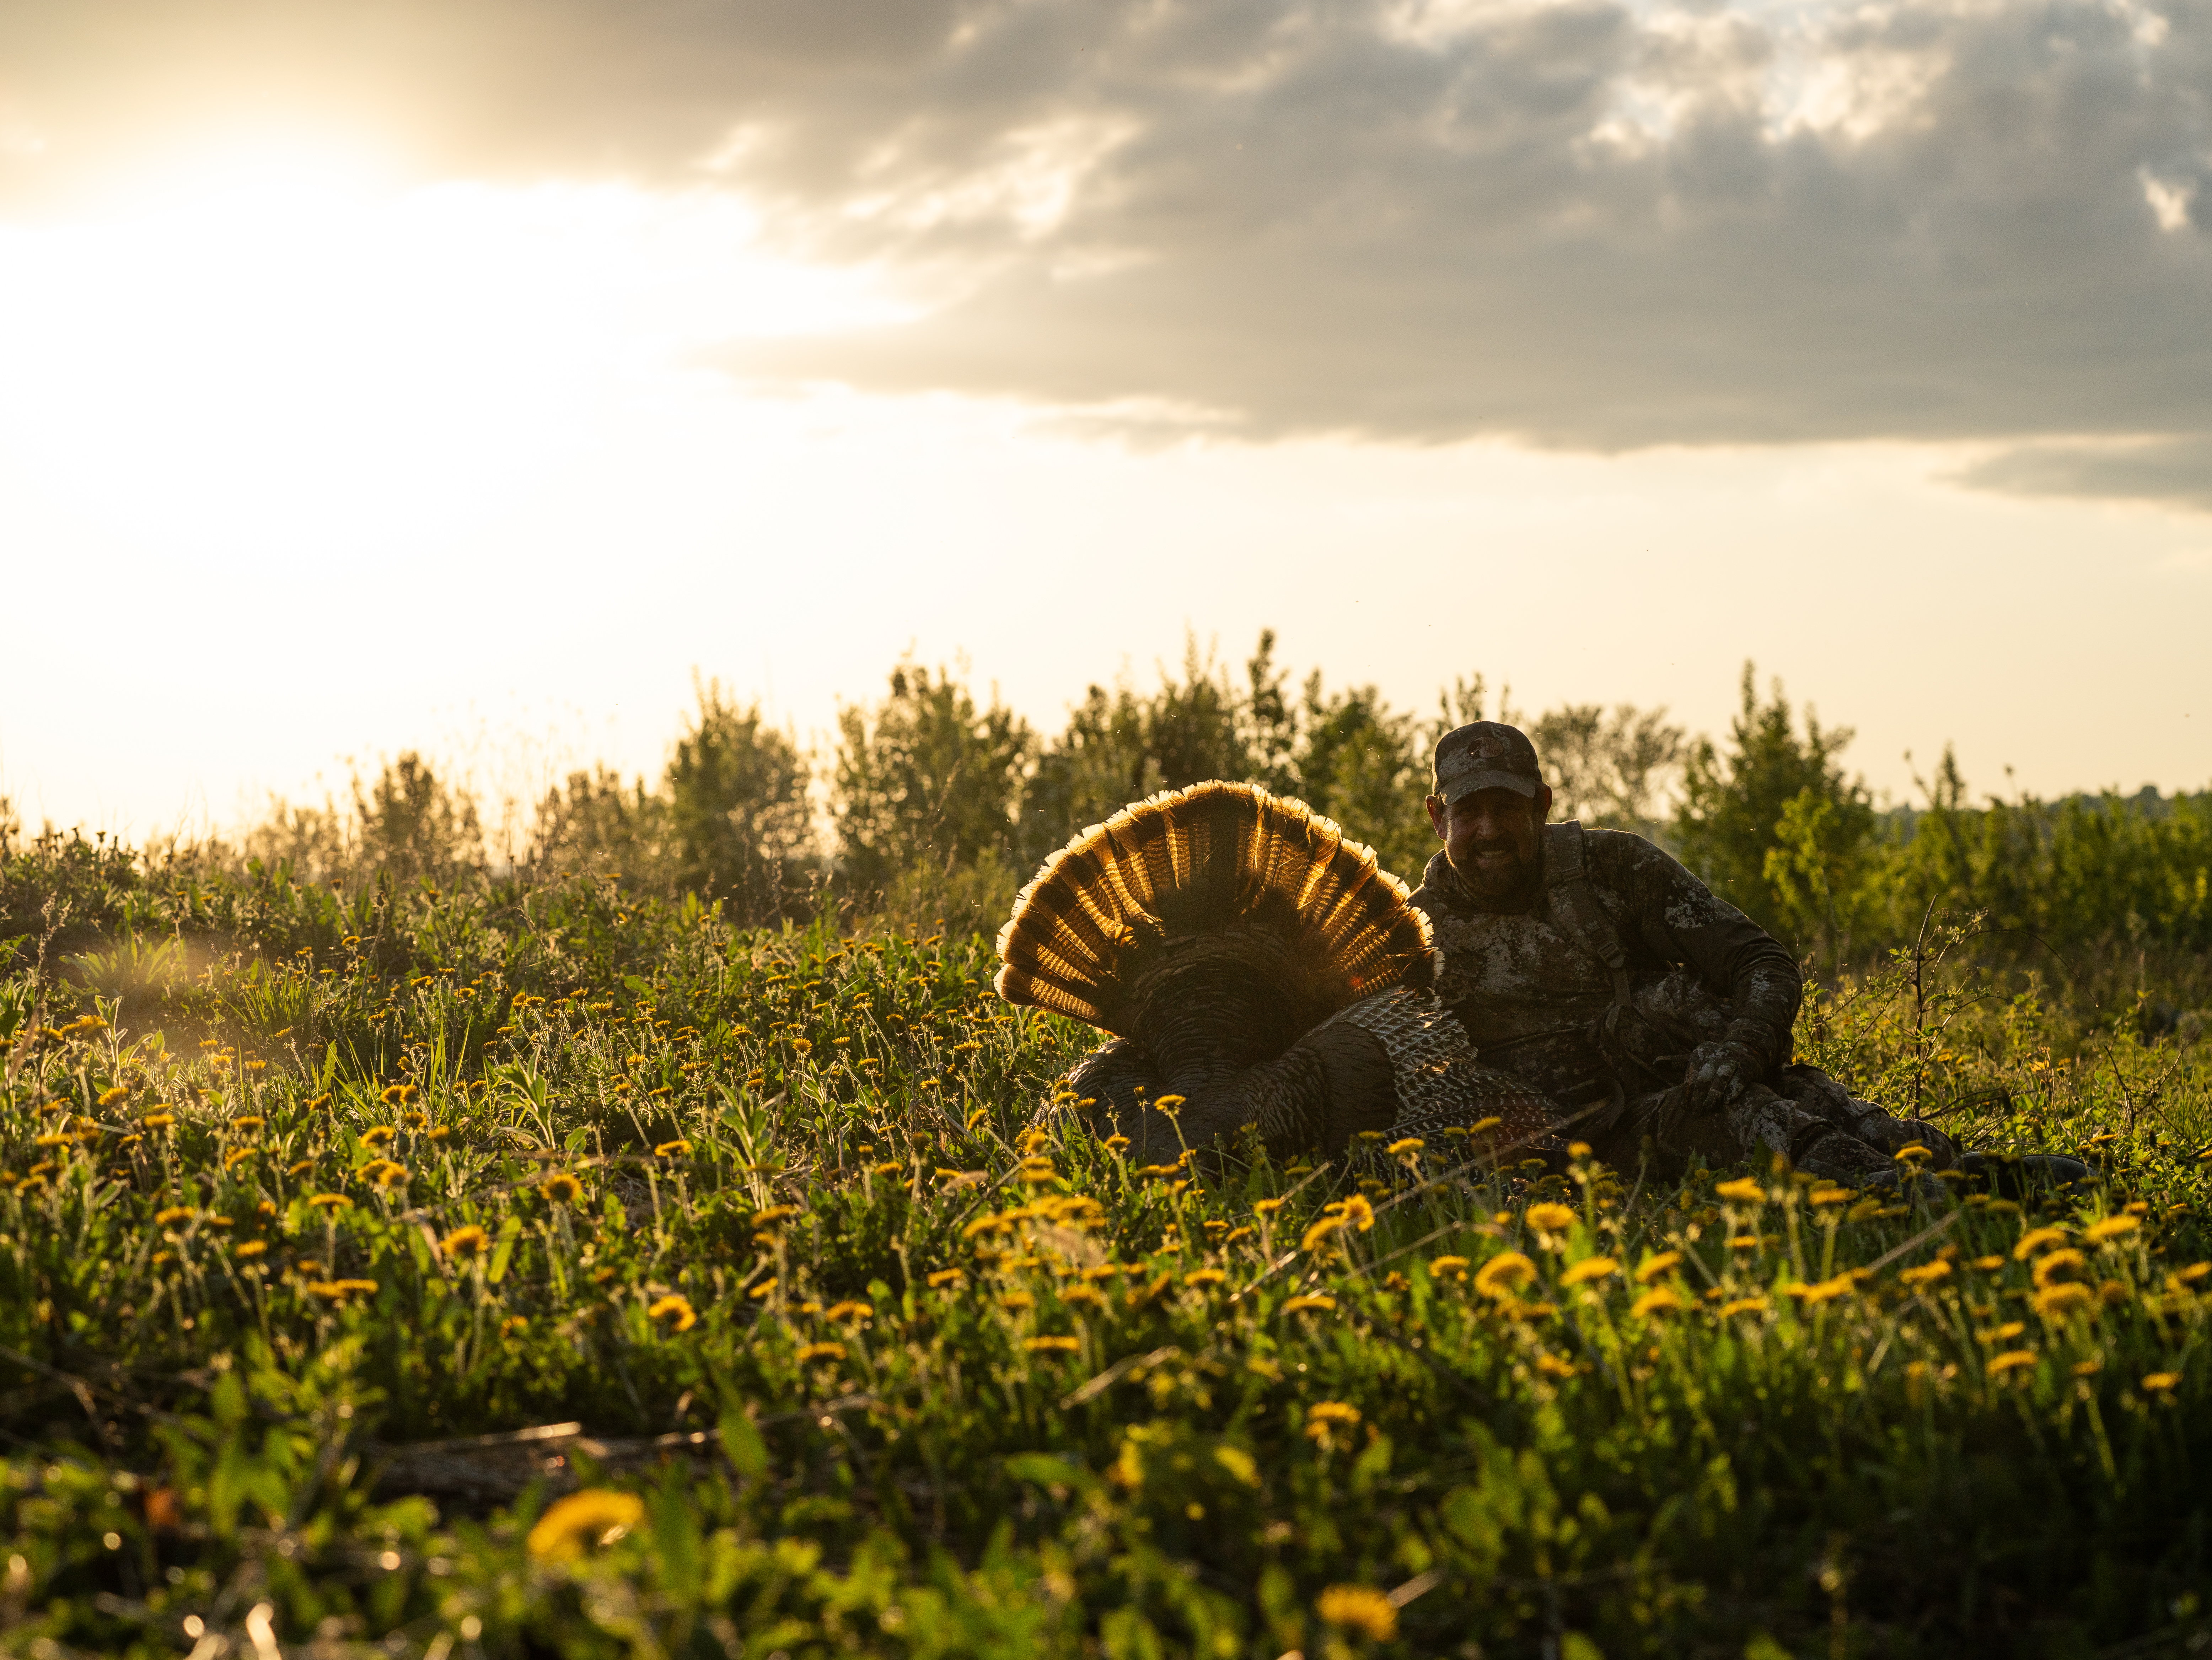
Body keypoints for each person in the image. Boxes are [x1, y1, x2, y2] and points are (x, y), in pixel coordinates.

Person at [1408, 721, 2060, 1190]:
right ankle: (1934, 1202)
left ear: (1542, 807)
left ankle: (1998, 1186)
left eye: (1506, 809)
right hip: (1599, 1142)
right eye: (1470, 813)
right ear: (1440, 818)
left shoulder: (1613, 869)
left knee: (1860, 1124)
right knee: (1765, 1124)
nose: (1489, 831)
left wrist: (1742, 1049)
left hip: (1706, 1078)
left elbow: (1760, 962)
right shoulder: (1410, 932)